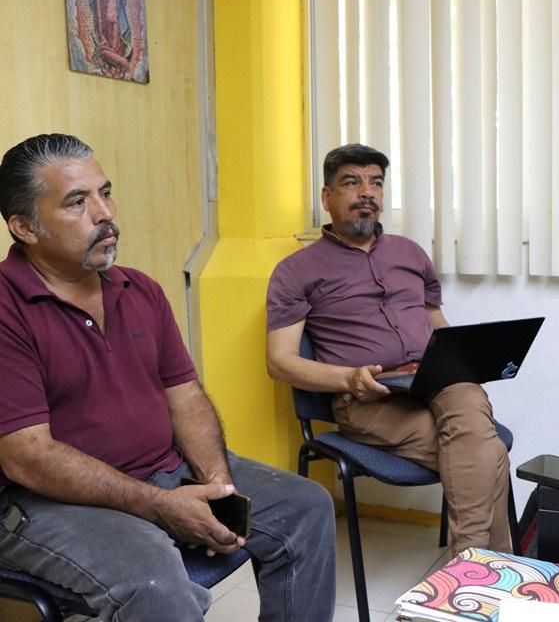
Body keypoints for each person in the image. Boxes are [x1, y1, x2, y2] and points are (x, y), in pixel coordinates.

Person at [0, 134, 336, 622]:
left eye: (105, 193)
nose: (104, 213)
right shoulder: (7, 308)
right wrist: (159, 505)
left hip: (162, 470)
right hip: (48, 502)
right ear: (25, 227)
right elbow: (28, 457)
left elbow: (186, 397)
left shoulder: (140, 289)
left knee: (306, 507)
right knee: (152, 580)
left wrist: (217, 485)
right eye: (77, 202)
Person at [265, 143, 511, 554]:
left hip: (434, 380)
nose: (367, 192)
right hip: (368, 397)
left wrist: (462, 357)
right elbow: (280, 361)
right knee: (490, 453)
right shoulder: (296, 271)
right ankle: (488, 569)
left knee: (468, 398)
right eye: (352, 182)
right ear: (327, 197)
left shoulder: (410, 253)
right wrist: (349, 378)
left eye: (376, 183)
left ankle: (470, 570)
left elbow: (435, 322)